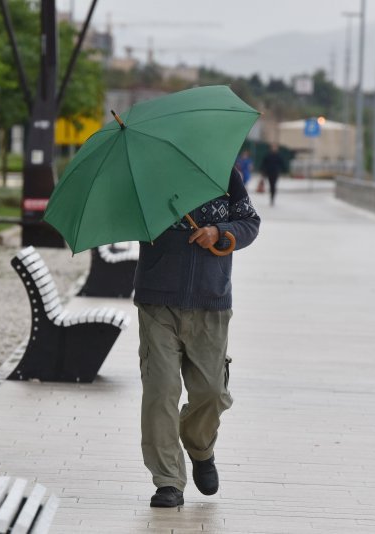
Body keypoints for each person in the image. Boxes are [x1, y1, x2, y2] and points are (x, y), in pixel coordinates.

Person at [133, 166, 261, 508]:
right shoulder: (146, 176)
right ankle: (167, 481)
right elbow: (127, 220)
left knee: (212, 393)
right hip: (157, 301)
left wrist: (219, 232)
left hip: (210, 301)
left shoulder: (224, 173)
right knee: (160, 391)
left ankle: (199, 446)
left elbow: (250, 224)